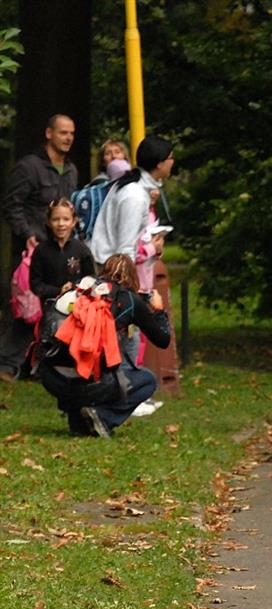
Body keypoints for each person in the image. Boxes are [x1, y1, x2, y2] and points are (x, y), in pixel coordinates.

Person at [37, 253, 170, 437]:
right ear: (132, 277)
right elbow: (163, 340)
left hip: (51, 376)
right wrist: (159, 311)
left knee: (79, 362)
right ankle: (103, 416)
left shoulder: (80, 288)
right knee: (147, 380)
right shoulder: (130, 300)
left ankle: (79, 423)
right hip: (89, 382)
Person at [1, 114, 79, 382]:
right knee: (26, 308)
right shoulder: (29, 167)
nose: (68, 138)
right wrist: (27, 234)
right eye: (63, 132)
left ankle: (43, 365)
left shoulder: (71, 170)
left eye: (71, 133)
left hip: (60, 251)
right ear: (49, 133)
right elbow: (12, 205)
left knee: (57, 305)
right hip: (32, 251)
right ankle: (7, 364)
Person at [89, 135, 174, 265]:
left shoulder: (136, 186)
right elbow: (125, 250)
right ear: (160, 164)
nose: (173, 162)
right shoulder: (134, 196)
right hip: (109, 268)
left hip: (111, 265)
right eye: (171, 158)